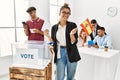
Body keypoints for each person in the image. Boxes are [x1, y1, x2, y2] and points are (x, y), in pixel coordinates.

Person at [44, 3, 81, 80]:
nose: (66, 14)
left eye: (68, 13)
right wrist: (47, 36)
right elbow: (53, 43)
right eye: (64, 12)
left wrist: (71, 35)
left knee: (70, 77)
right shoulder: (54, 27)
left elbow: (74, 42)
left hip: (72, 52)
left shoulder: (72, 25)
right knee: (59, 77)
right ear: (59, 13)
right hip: (60, 53)